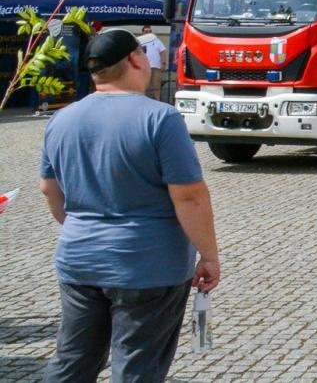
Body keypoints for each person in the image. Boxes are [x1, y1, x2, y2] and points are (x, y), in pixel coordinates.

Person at [38, 28, 221, 383]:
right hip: (148, 264)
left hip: (79, 258)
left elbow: (49, 189)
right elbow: (189, 196)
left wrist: (83, 229)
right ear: (135, 59)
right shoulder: (161, 118)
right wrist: (209, 255)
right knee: (137, 366)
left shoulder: (61, 119)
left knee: (73, 361)